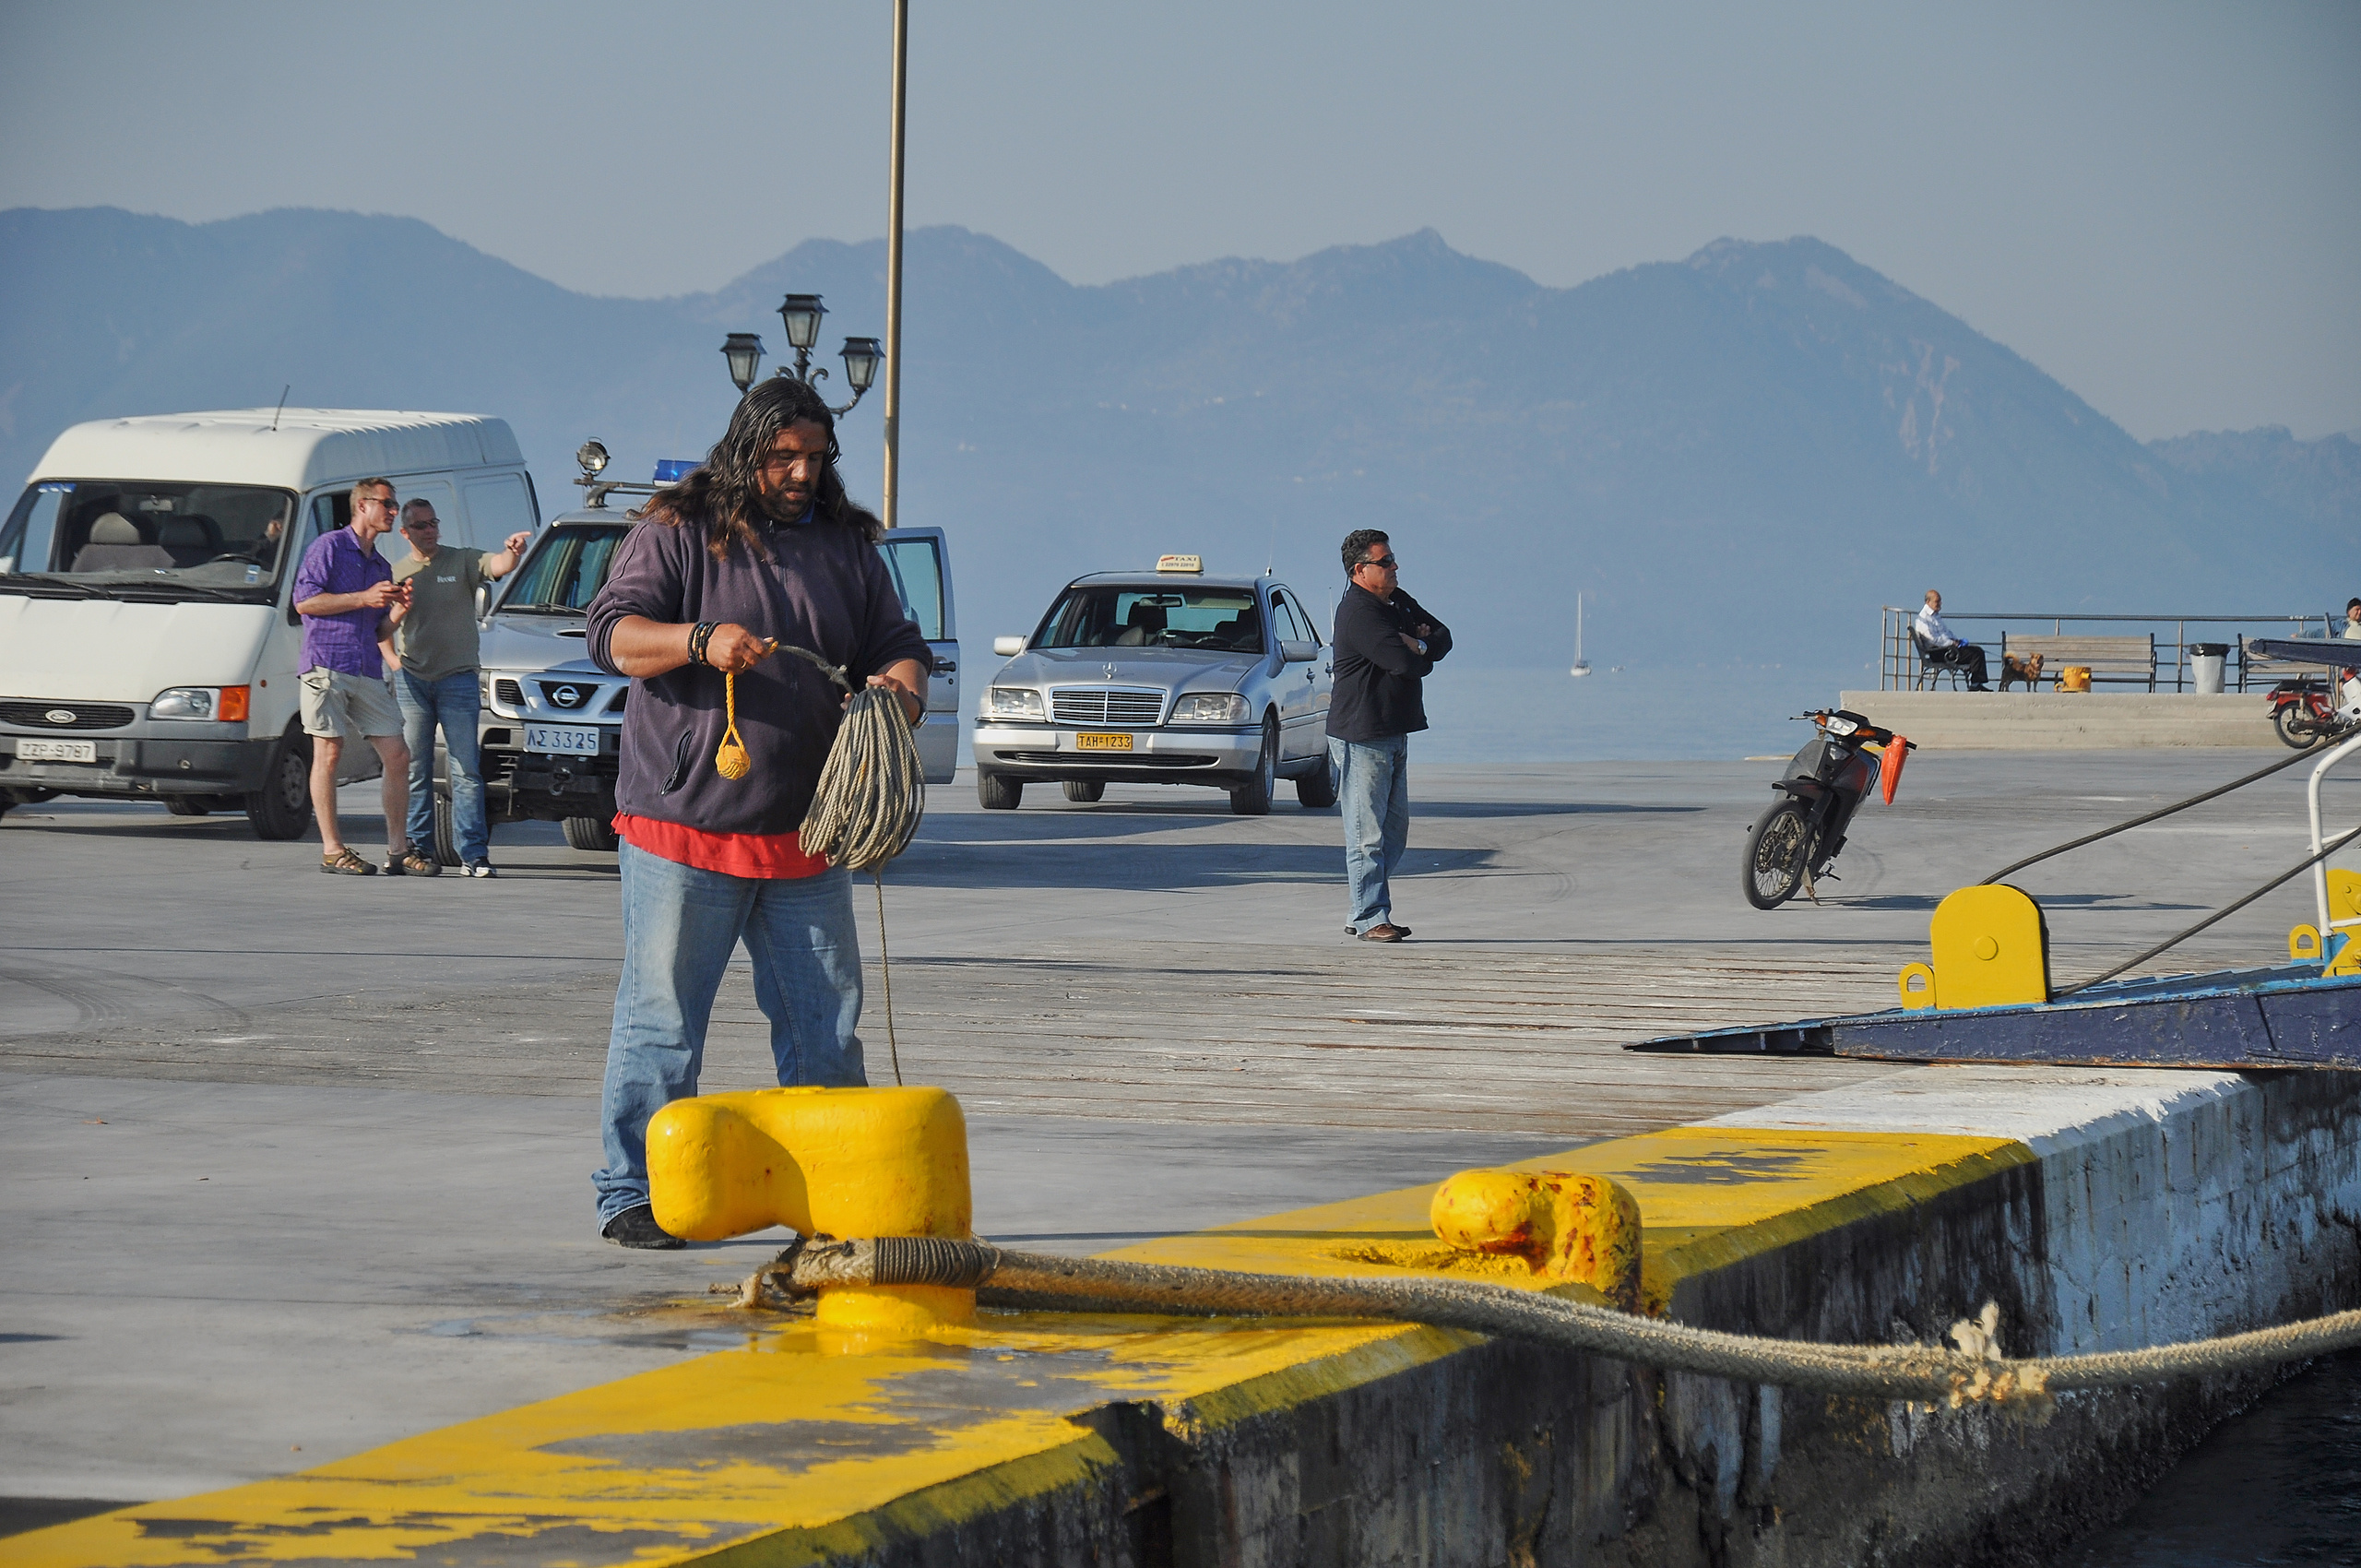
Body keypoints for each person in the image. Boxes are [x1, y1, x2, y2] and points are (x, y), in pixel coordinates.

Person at [584, 377, 931, 1249]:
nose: (801, 472)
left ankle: (837, 1197)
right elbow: (614, 635)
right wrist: (699, 641)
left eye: (815, 457)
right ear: (748, 448)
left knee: (827, 1032)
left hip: (806, 836)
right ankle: (632, 1194)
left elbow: (899, 646)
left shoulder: (847, 547)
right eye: (784, 456)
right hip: (682, 828)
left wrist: (898, 695)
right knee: (662, 1022)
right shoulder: (677, 530)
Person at [385, 501, 532, 878]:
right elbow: (378, 626)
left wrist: (512, 553)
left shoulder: (461, 560)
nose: (430, 531)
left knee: (466, 768)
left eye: (433, 523)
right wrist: (394, 662)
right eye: (420, 526)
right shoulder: (395, 573)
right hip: (413, 680)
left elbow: (496, 565)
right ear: (405, 533)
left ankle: (474, 854)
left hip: (459, 679)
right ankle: (419, 848)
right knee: (415, 768)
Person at [291, 479, 427, 875]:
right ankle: (333, 850)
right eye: (387, 503)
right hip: (325, 663)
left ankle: (399, 851)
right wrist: (362, 598)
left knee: (398, 755)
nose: (393, 511)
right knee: (329, 754)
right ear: (362, 505)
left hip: (366, 665)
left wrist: (398, 612)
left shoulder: (381, 566)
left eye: (394, 504)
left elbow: (378, 632)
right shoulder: (328, 547)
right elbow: (305, 602)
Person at [1326, 529, 1452, 943]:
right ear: (1360, 570)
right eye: (1385, 562)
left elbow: (1443, 637)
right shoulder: (1360, 612)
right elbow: (1405, 664)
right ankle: (1369, 916)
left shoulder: (1396, 600)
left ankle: (1361, 908)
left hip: (1395, 729)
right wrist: (1418, 649)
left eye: (1393, 558)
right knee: (1368, 835)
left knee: (1394, 832)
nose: (1395, 566)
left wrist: (1417, 641)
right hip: (1362, 733)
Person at [1915, 589, 1989, 691]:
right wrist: (1951, 643)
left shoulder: (1935, 616)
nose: (1940, 604)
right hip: (1939, 652)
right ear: (1928, 602)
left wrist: (1955, 640)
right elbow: (1933, 639)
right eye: (1937, 601)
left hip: (1946, 648)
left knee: (1977, 650)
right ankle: (1975, 685)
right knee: (1975, 654)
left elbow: (1946, 632)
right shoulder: (1923, 618)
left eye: (1940, 601)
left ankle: (1977, 683)